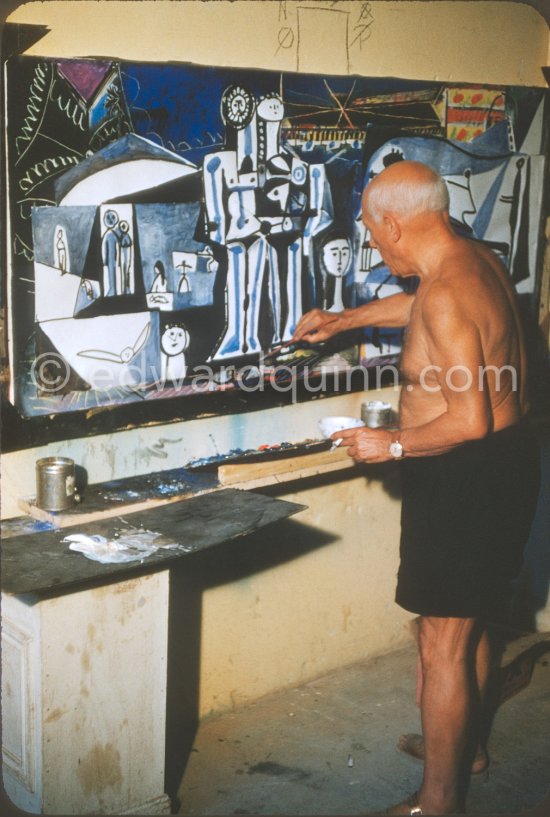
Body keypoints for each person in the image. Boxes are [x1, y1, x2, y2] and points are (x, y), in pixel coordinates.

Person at [292, 160, 540, 815]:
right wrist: (342, 321)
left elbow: (468, 417)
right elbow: (421, 303)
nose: (375, 245)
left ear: (396, 224)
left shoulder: (451, 289)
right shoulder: (468, 262)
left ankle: (438, 799)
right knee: (471, 624)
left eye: (375, 235)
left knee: (441, 644)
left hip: (466, 473)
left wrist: (392, 443)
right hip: (499, 467)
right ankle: (466, 750)